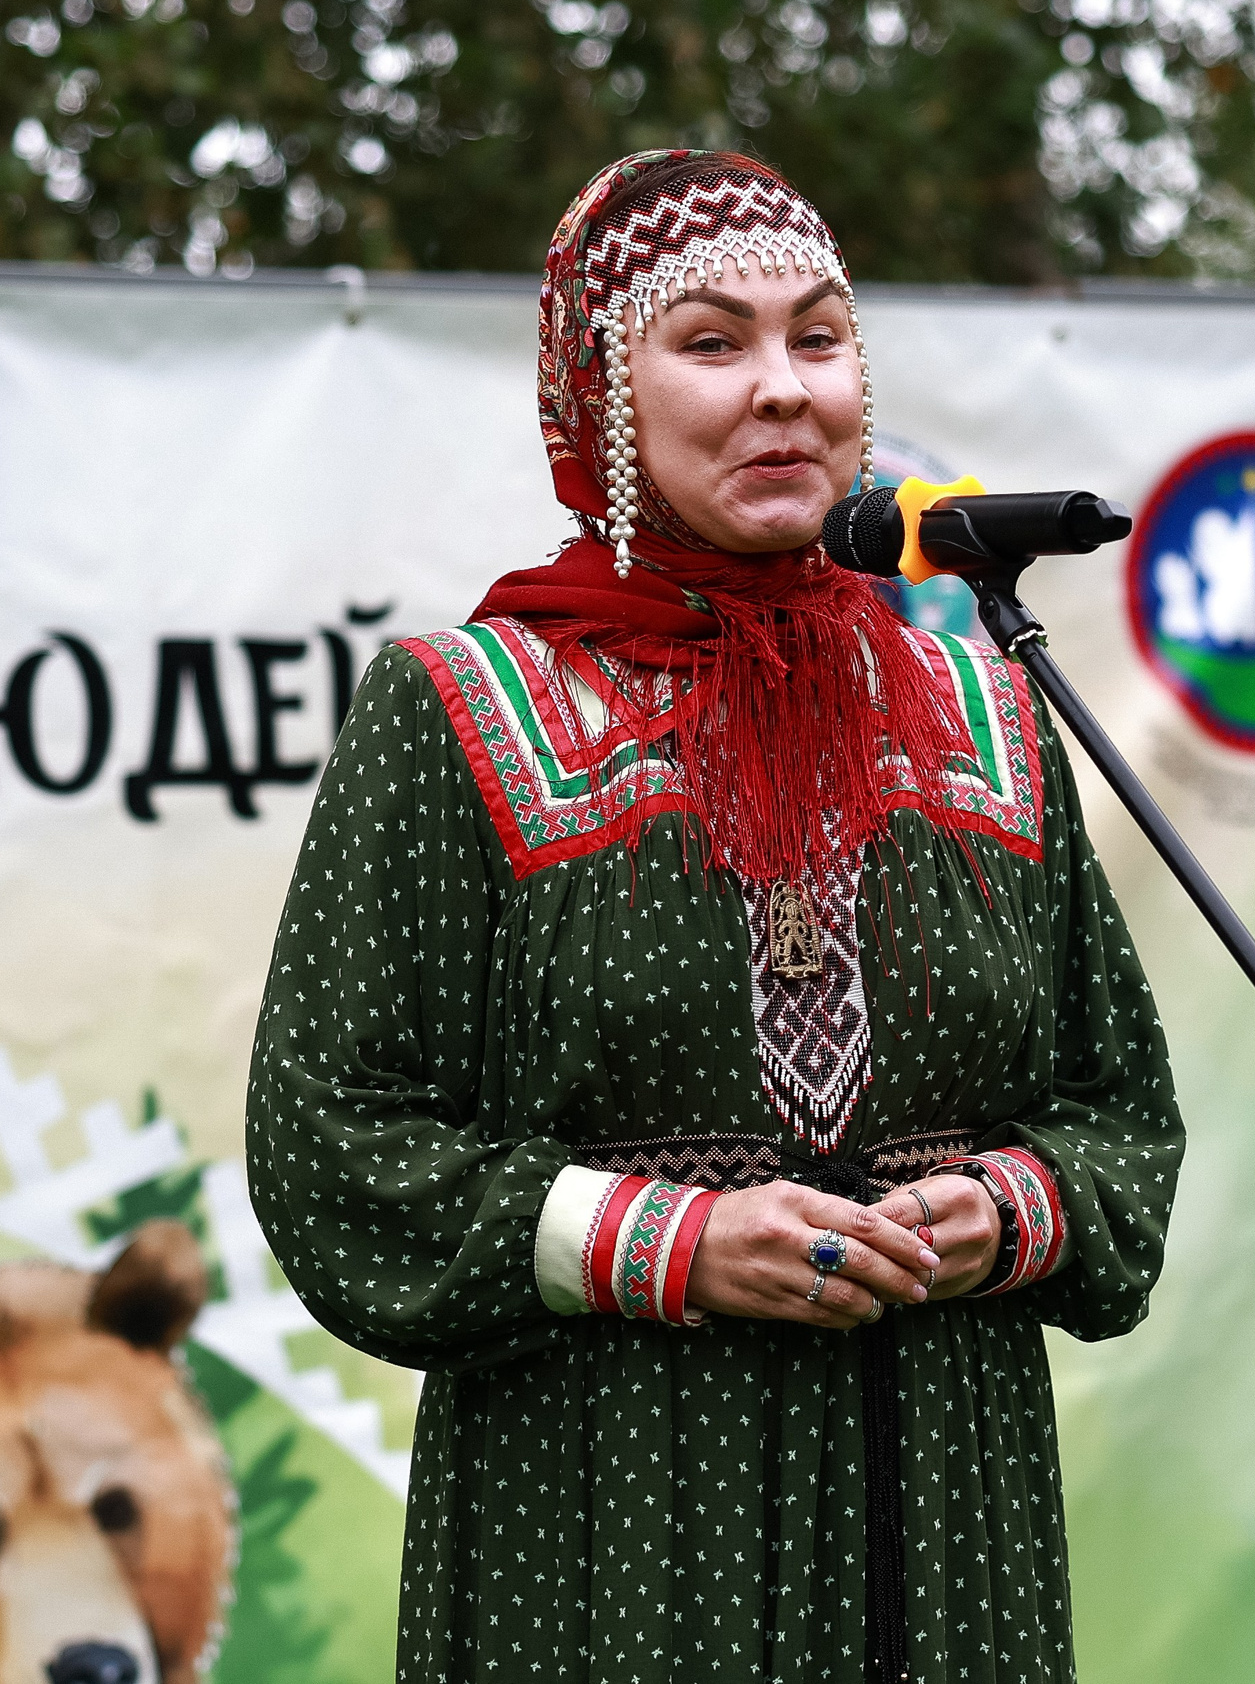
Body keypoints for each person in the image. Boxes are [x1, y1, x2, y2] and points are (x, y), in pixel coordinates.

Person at [246, 149, 1185, 1684]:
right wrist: (667, 1243)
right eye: (711, 342)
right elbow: (336, 1146)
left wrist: (999, 1213)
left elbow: (1120, 1115)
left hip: (950, 1515)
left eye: (817, 339)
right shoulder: (460, 712)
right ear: (601, 396)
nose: (781, 390)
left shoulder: (992, 710)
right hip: (608, 1520)